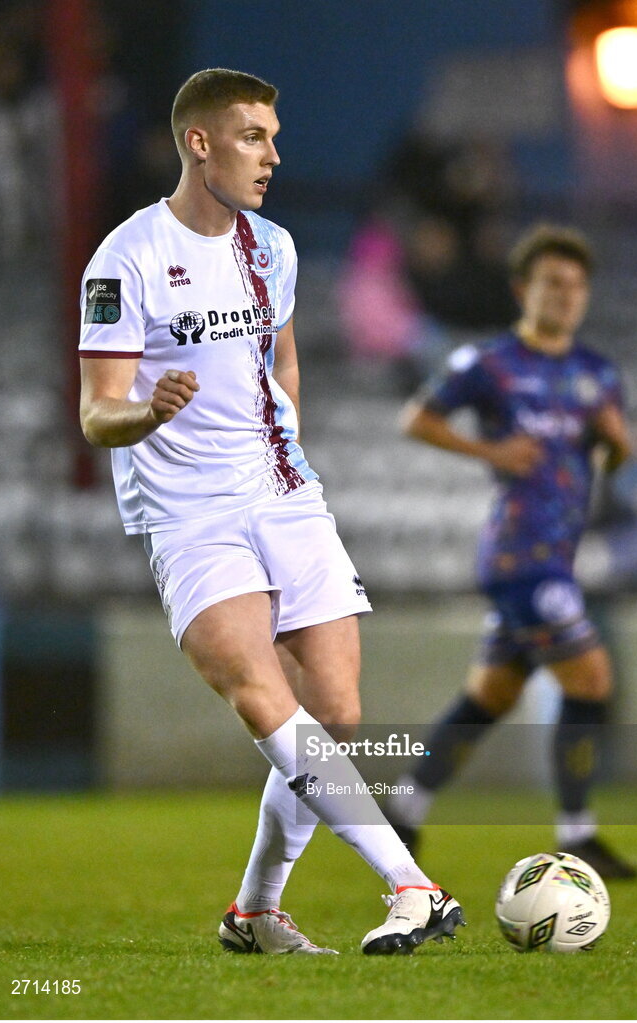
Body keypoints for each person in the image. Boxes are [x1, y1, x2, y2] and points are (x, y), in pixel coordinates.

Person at [77, 67, 464, 955]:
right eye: (253, 135)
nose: (273, 154)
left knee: (336, 714)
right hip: (188, 514)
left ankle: (254, 913)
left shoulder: (273, 249)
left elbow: (281, 361)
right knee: (262, 697)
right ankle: (412, 883)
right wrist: (149, 412)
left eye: (274, 137)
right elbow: (97, 411)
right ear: (198, 142)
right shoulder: (123, 259)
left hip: (282, 494)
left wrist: (283, 448)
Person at [384, 223, 637, 880]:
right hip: (518, 558)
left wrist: (619, 443)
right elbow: (416, 417)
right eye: (553, 283)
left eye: (577, 285)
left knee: (489, 695)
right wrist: (488, 450)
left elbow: (613, 454)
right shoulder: (490, 363)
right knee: (591, 679)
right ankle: (576, 833)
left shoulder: (595, 372)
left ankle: (403, 810)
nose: (566, 296)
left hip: (557, 554)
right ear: (522, 288)